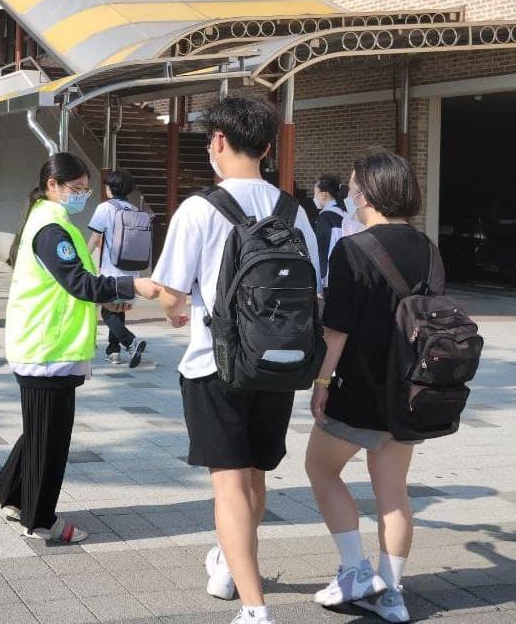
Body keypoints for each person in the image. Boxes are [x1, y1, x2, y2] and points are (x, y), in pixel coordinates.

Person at [151, 96, 320, 624]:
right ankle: (228, 566)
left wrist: (175, 310)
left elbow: (169, 291)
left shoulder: (199, 209)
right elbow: (315, 291)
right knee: (254, 477)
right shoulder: (295, 212)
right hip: (280, 363)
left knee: (227, 485)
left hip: (214, 365)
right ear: (267, 148)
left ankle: (254, 608)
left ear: (219, 142)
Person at [0, 154, 160, 543]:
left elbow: (79, 283)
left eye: (85, 190)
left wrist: (111, 295)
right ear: (52, 185)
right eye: (75, 189)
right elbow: (79, 283)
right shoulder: (51, 229)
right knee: (50, 438)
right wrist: (134, 286)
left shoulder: (51, 221)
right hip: (48, 346)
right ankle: (40, 520)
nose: (81, 197)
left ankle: (4, 492)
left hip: (47, 343)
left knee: (38, 431)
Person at [304, 148, 430, 624]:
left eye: (355, 186)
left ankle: (355, 569)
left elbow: (336, 331)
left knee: (320, 469)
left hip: (360, 388)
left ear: (371, 192)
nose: (351, 194)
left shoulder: (351, 249)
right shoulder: (428, 248)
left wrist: (320, 384)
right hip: (413, 390)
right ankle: (392, 594)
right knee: (393, 492)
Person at [86, 169, 147, 368]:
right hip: (132, 272)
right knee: (118, 310)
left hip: (112, 271)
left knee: (108, 312)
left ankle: (131, 342)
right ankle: (114, 352)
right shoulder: (135, 210)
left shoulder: (106, 208)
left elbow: (95, 239)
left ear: (109, 187)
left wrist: (83, 259)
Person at [313, 175, 349, 288]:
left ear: (323, 194)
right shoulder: (345, 213)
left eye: (315, 193)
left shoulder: (325, 217)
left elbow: (322, 250)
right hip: (346, 271)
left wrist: (320, 279)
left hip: (330, 277)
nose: (314, 197)